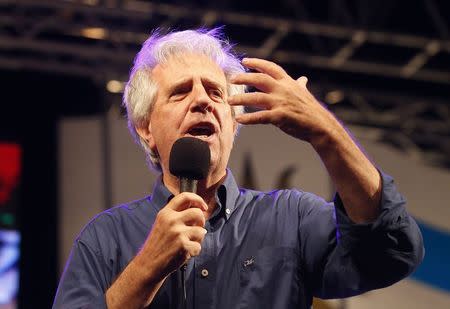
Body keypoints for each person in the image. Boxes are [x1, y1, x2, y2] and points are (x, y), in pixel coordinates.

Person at [53, 28, 424, 309]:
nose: (202, 100)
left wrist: (326, 132)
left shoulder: (291, 219)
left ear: (234, 124)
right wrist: (146, 268)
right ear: (146, 128)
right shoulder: (105, 240)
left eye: (216, 93)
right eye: (181, 92)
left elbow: (393, 253)